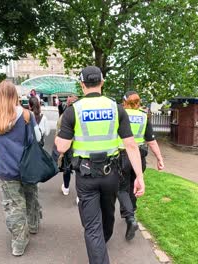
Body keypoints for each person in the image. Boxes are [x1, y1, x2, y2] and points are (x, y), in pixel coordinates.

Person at [55, 66, 145, 264]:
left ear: (82, 84)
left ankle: (99, 247)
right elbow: (130, 145)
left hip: (86, 176)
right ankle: (101, 245)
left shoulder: (73, 110)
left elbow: (61, 147)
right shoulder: (116, 108)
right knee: (108, 216)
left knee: (92, 226)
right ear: (102, 83)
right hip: (111, 173)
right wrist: (139, 176)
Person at [0, 80, 42, 257]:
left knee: (13, 205)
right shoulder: (27, 115)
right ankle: (34, 225)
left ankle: (18, 243)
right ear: (15, 95)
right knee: (31, 196)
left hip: (6, 169)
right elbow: (37, 137)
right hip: (27, 166)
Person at [118, 91, 165, 241]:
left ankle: (130, 217)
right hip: (139, 157)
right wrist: (159, 158)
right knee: (134, 184)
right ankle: (132, 210)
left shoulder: (120, 114)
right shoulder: (144, 116)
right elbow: (151, 140)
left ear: (124, 101)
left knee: (121, 188)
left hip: (122, 155)